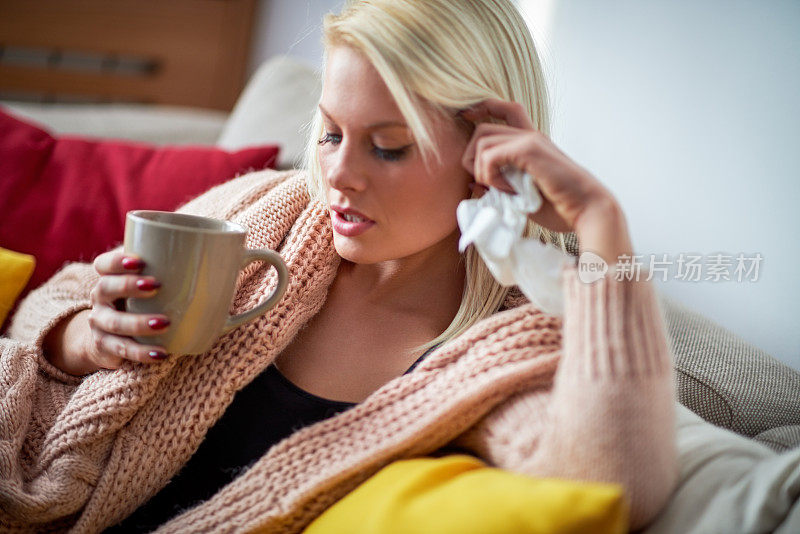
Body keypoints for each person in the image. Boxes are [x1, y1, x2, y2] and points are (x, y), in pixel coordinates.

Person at [0, 0, 678, 532]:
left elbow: (611, 488)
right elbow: (41, 307)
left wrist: (601, 225)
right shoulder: (269, 206)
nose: (339, 176)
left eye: (387, 148)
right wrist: (84, 338)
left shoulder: (495, 358)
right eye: (329, 134)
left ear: (488, 158)